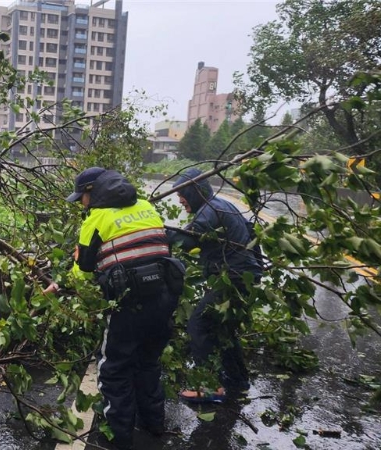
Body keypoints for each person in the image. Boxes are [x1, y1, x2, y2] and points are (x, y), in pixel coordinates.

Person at [45, 167, 181, 450]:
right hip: (164, 298)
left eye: (81, 197)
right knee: (148, 363)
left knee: (114, 370)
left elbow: (82, 273)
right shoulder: (146, 207)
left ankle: (117, 438)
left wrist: (60, 284)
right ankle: (153, 425)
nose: (81, 203)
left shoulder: (96, 219)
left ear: (92, 192)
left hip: (128, 305)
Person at [169, 168, 263, 402]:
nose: (179, 200)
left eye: (182, 193)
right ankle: (238, 381)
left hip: (234, 277)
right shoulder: (220, 204)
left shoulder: (208, 212)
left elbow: (186, 241)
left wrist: (156, 234)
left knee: (198, 325)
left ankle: (210, 387)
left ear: (195, 191)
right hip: (245, 276)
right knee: (224, 329)